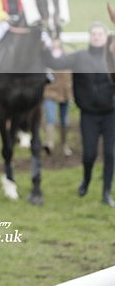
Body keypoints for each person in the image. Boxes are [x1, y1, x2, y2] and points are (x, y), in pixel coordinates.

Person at [45, 22, 115, 206]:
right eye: (94, 34)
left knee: (110, 153)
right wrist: (46, 49)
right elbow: (54, 63)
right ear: (90, 37)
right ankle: (86, 179)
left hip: (111, 114)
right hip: (89, 115)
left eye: (100, 34)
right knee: (89, 154)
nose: (97, 37)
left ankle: (106, 193)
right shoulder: (79, 57)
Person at [42, 63, 73, 157]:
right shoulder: (47, 58)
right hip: (49, 93)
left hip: (65, 93)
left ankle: (64, 145)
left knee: (64, 120)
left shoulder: (67, 57)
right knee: (50, 118)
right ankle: (49, 144)